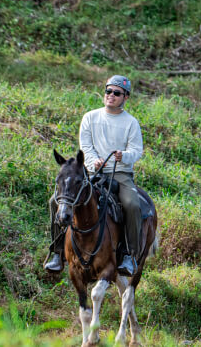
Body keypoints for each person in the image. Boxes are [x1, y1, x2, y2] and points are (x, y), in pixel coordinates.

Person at [44, 75, 144, 277]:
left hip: (120, 173)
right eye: (108, 91)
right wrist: (93, 161)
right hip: (91, 173)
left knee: (132, 204)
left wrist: (123, 156)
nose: (111, 96)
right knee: (55, 201)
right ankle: (56, 253)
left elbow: (137, 150)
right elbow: (86, 146)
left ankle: (129, 255)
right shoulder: (90, 117)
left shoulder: (131, 123)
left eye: (117, 93)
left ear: (126, 97)